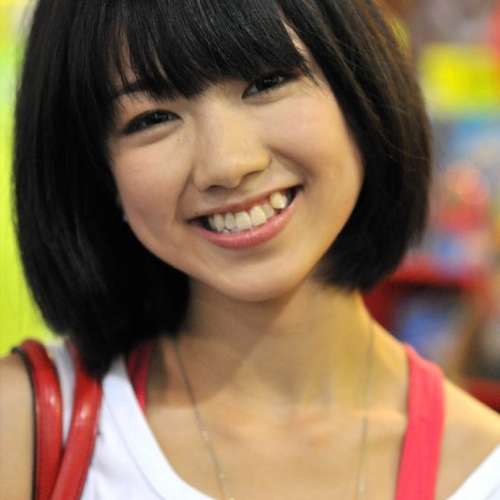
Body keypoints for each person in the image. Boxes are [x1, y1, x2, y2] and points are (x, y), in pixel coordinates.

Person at [1, 0, 500, 499]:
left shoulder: (480, 472)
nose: (227, 164)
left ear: (358, 86)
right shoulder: (28, 427)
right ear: (96, 171)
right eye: (153, 118)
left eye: (266, 83)